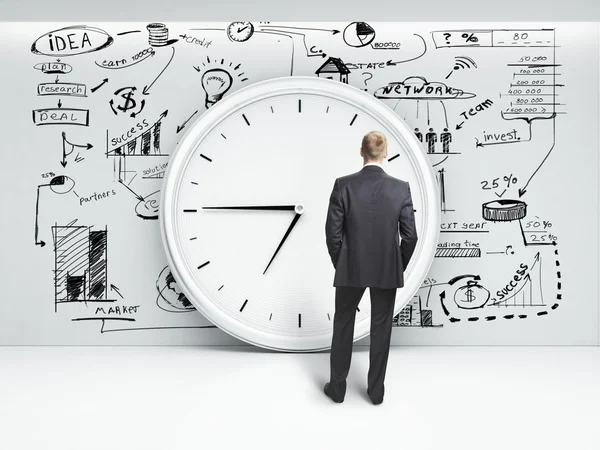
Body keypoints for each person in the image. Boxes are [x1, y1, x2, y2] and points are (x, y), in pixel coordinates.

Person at [324, 130, 418, 405]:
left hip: (350, 268)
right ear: (385, 153)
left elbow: (333, 234)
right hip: (385, 270)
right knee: (381, 329)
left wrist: (342, 263)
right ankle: (376, 392)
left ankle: (338, 389)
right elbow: (410, 236)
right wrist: (396, 264)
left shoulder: (343, 185)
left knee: (342, 326)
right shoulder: (400, 188)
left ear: (361, 152)